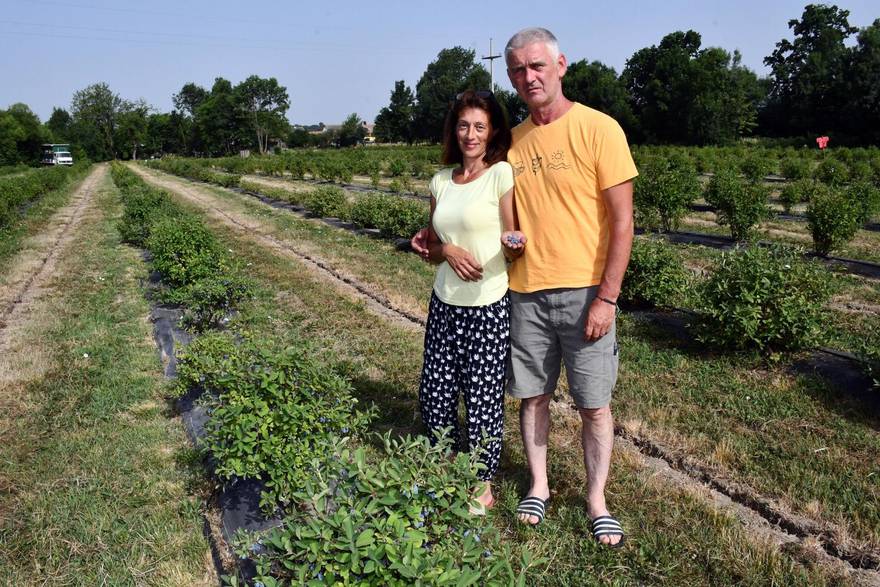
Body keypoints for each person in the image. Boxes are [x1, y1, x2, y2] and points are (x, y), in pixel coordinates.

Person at [413, 27, 636, 546]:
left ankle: (597, 500)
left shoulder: (599, 128)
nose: (528, 77)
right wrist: (439, 243)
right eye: (518, 70)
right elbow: (478, 212)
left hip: (585, 292)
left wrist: (608, 296)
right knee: (531, 397)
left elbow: (623, 223)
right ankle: (538, 485)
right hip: (524, 292)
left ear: (561, 64)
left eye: (537, 66)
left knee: (593, 403)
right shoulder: (512, 142)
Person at [415, 89, 525, 514]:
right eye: (464, 126)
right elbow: (431, 246)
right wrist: (449, 251)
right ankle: (444, 469)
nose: (471, 134)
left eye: (480, 126)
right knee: (437, 393)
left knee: (481, 397)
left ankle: (480, 482)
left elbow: (511, 240)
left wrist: (515, 246)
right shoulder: (440, 182)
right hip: (445, 300)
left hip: (487, 303)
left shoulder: (500, 175)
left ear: (492, 130)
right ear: (454, 130)